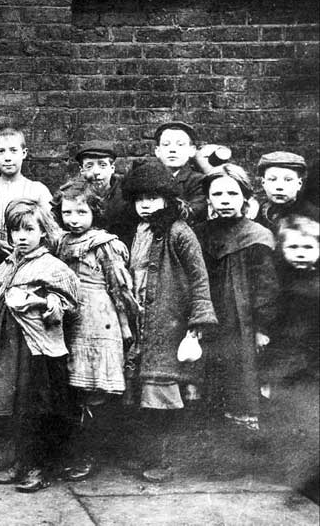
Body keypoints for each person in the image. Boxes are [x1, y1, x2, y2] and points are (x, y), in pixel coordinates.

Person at [0, 199, 80, 492]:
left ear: (43, 232)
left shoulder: (52, 266)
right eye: (15, 230)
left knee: (38, 406)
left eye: (29, 230)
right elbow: (0, 284)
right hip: (8, 346)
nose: (21, 237)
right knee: (16, 405)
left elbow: (69, 303)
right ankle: (20, 459)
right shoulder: (9, 263)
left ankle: (39, 466)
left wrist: (45, 302)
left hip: (36, 348)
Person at [122, 161, 217, 483]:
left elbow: (198, 277)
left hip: (168, 323)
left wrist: (198, 322)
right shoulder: (139, 231)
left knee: (162, 395)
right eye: (140, 199)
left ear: (167, 199)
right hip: (140, 323)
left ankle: (163, 459)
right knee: (143, 396)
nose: (146, 204)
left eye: (153, 198)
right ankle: (146, 454)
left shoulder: (178, 231)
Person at [54, 179, 139, 482]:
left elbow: (120, 288)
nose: (73, 219)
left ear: (94, 212)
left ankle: (90, 452)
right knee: (74, 386)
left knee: (95, 388)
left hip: (98, 318)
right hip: (70, 316)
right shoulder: (61, 242)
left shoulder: (104, 244)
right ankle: (73, 449)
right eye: (67, 213)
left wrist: (126, 325)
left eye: (81, 213)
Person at [196, 164, 278, 436]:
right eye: (217, 194)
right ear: (209, 199)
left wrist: (262, 327)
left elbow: (266, 287)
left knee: (239, 375)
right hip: (209, 316)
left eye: (232, 193)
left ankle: (242, 446)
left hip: (240, 320)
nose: (225, 200)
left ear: (245, 197)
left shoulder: (257, 235)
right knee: (207, 376)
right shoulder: (200, 233)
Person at [267, 216, 319, 385]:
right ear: (281, 248)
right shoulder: (276, 278)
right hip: (284, 353)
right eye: (293, 247)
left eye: (308, 247)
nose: (301, 253)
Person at [0, 128, 52, 260]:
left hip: (32, 258)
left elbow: (51, 229)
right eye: (1, 151)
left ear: (24, 153)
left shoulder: (37, 190)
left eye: (13, 151)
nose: (7, 158)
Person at [73, 140, 136, 246]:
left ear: (112, 168)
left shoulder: (126, 197)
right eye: (89, 166)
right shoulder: (72, 197)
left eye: (102, 165)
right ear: (81, 170)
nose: (96, 172)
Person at [152, 121, 208, 224]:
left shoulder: (199, 181)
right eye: (166, 144)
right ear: (157, 151)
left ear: (192, 150)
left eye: (180, 145)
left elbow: (195, 211)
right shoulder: (150, 178)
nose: (172, 150)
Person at [255, 151, 319, 230]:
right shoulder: (262, 211)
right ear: (263, 183)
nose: (279, 186)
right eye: (272, 179)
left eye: (288, 180)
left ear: (299, 184)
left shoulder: (312, 215)